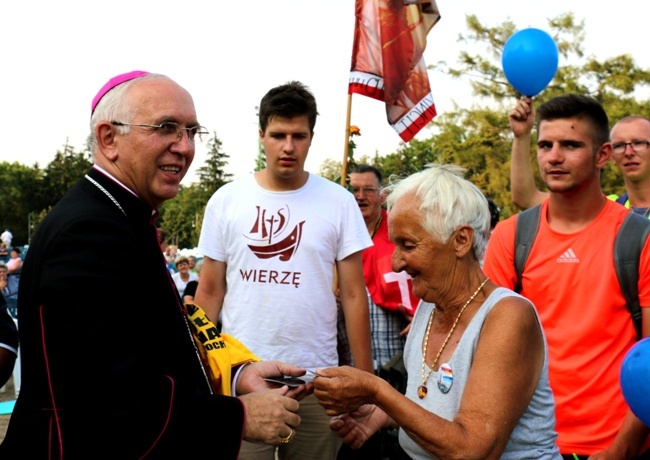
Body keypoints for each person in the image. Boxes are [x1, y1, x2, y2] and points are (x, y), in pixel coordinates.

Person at [0, 71, 309, 459]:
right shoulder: (89, 231)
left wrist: (233, 373)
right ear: (109, 139)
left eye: (192, 131)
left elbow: (159, 343)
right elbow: (110, 394)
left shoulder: (122, 217)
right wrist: (238, 416)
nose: (184, 147)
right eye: (166, 128)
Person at [314, 164, 561, 459]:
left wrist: (378, 392)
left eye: (408, 245)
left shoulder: (507, 317)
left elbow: (472, 450)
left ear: (460, 240)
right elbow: (435, 408)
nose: (395, 263)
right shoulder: (429, 307)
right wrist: (382, 414)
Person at [194, 80, 374, 460]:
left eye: (299, 135)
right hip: (243, 381)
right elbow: (209, 291)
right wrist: (203, 369)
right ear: (261, 135)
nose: (288, 147)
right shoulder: (226, 200)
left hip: (318, 383)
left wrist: (366, 380)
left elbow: (355, 295)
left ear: (311, 137)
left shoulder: (339, 202)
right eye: (278, 135)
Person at [483, 94, 650, 459]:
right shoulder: (510, 237)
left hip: (615, 444)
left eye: (570, 145)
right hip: (527, 444)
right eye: (545, 145)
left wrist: (621, 449)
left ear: (603, 155)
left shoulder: (640, 239)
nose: (553, 156)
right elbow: (485, 352)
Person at [509, 97, 650, 216]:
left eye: (639, 143)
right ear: (609, 155)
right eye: (619, 146)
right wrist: (521, 136)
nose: (629, 152)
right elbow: (526, 198)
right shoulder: (609, 207)